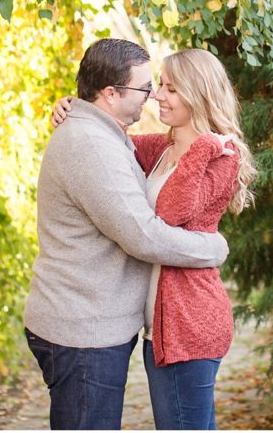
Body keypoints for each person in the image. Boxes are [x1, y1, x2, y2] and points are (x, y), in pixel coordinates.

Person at [24, 38, 231, 431]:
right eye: (146, 87)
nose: (153, 96)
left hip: (110, 324)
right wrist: (213, 248)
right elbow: (143, 236)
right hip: (82, 330)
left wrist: (75, 106)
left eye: (166, 87)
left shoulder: (106, 135)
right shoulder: (91, 143)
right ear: (110, 93)